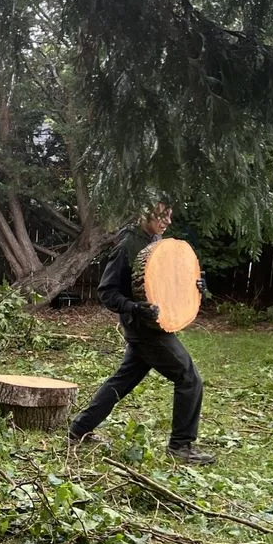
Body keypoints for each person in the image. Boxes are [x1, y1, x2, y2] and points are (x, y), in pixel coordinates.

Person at [67, 199, 215, 465]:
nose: (168, 220)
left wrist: (196, 285)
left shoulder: (158, 243)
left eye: (170, 215)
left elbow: (166, 283)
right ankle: (181, 446)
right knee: (189, 378)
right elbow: (107, 292)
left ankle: (79, 428)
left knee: (122, 381)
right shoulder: (127, 246)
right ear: (144, 213)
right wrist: (134, 308)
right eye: (163, 214)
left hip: (151, 327)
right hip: (144, 330)